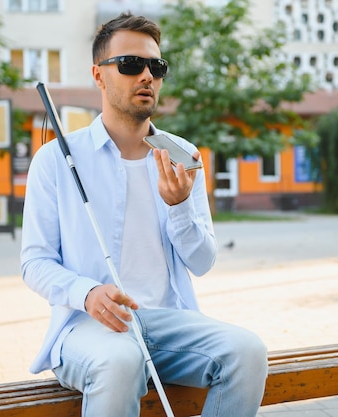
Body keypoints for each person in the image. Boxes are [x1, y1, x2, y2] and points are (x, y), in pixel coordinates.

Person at [20, 12, 268, 417]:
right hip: (90, 328)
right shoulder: (57, 159)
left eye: (156, 66)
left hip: (169, 322)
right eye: (131, 65)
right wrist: (86, 292)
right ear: (99, 76)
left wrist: (179, 207)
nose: (146, 76)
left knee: (247, 351)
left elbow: (203, 262)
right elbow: (34, 261)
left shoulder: (182, 155)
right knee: (119, 362)